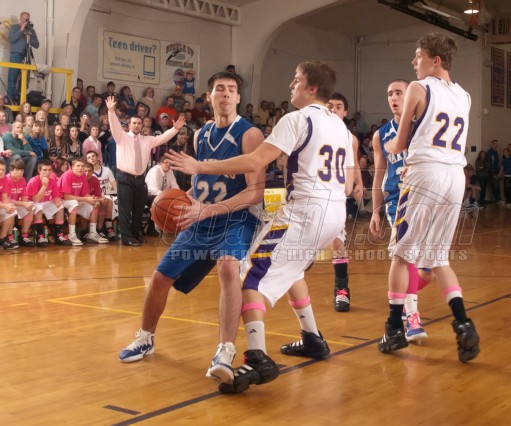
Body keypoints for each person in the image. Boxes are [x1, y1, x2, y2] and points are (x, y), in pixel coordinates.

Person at [167, 60, 354, 394]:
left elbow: (255, 161)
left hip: (304, 212)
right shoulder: (339, 124)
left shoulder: (297, 118)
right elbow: (350, 180)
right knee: (290, 269)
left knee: (247, 276)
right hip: (335, 214)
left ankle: (257, 357)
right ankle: (312, 337)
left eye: (296, 80)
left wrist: (199, 166)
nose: (291, 85)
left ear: (312, 88)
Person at [118, 71, 265, 390]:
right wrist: (179, 203)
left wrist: (207, 209)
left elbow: (255, 192)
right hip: (201, 216)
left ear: (238, 98)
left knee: (228, 268)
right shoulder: (201, 135)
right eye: (219, 89)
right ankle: (145, 338)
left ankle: (225, 351)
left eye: (232, 89)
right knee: (160, 278)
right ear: (209, 97)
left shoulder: (250, 135)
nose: (226, 94)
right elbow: (202, 183)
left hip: (237, 218)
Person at [378, 33, 479, 363]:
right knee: (438, 258)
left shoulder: (418, 88)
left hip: (425, 173)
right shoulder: (464, 95)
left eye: (418, 56)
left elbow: (400, 142)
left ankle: (394, 329)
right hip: (455, 176)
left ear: (435, 60)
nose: (414, 62)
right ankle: (463, 324)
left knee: (401, 254)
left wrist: (386, 147)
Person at [370, 79, 430, 343]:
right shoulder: (381, 135)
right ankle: (413, 318)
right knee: (406, 258)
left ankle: (403, 299)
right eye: (389, 94)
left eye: (398, 93)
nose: (393, 98)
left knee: (427, 270)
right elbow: (378, 175)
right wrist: (375, 210)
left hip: (425, 197)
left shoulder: (423, 126)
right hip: (397, 200)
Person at [106, 95, 185, 246]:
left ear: (142, 125)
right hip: (124, 177)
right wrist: (111, 111)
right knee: (125, 209)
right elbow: (114, 125)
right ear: (129, 125)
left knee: (138, 209)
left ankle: (136, 234)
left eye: (139, 123)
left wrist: (175, 129)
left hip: (139, 179)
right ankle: (127, 238)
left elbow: (163, 138)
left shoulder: (147, 140)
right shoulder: (121, 137)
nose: (136, 125)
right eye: (134, 123)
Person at [325, 92, 363, 312]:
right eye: (330, 106)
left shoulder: (351, 138)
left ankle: (342, 290)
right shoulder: (315, 130)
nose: (333, 110)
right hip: (313, 194)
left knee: (337, 243)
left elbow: (354, 162)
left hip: (336, 195)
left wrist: (359, 183)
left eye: (338, 107)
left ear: (345, 112)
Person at [57, 158, 108, 245]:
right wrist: (86, 199)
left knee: (95, 204)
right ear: (72, 167)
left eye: (82, 166)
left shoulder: (83, 175)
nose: (80, 168)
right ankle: (71, 234)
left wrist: (92, 199)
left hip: (75, 199)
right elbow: (66, 196)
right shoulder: (67, 175)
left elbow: (85, 194)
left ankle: (92, 233)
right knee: (74, 203)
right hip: (61, 200)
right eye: (78, 166)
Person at [26, 159, 71, 247]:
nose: (47, 172)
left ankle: (59, 235)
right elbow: (36, 200)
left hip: (45, 203)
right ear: (39, 171)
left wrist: (57, 201)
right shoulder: (33, 181)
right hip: (32, 204)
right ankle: (40, 236)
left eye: (50, 170)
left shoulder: (52, 181)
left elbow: (56, 197)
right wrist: (44, 186)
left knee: (60, 207)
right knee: (38, 206)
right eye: (45, 170)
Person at [85, 150, 117, 241]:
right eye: (89, 158)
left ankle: (108, 228)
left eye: (93, 156)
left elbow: (114, 184)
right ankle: (107, 227)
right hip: (93, 196)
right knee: (107, 202)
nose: (92, 159)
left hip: (105, 194)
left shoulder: (107, 170)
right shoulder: (87, 172)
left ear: (97, 157)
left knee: (112, 201)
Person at [8, 12, 39, 103]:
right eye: (24, 18)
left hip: (27, 56)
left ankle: (20, 101)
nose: (26, 20)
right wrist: (21, 29)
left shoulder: (31, 30)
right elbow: (11, 39)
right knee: (12, 79)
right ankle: (10, 101)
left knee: (24, 80)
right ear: (20, 19)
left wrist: (29, 36)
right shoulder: (15, 27)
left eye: (27, 19)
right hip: (16, 55)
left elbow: (37, 45)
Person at [0, 162, 20, 249]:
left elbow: (5, 197)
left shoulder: (4, 179)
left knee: (12, 211)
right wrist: (5, 206)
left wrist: (9, 206)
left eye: (3, 170)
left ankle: (2, 239)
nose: (1, 172)